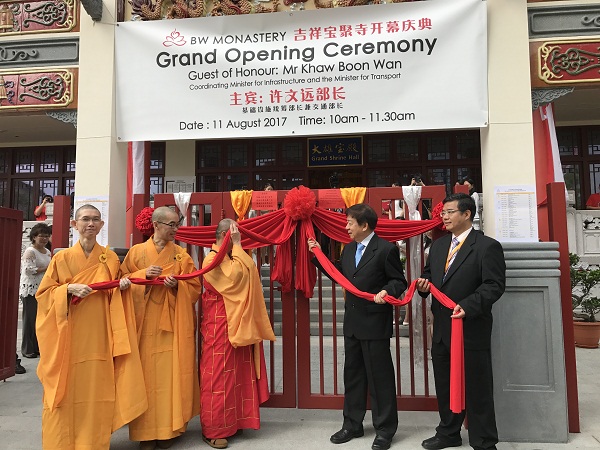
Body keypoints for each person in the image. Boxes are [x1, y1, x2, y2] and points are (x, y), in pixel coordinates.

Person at [36, 204, 146, 449]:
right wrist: (68, 288)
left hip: (99, 335)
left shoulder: (108, 259)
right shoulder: (62, 258)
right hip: (69, 335)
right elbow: (43, 295)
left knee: (96, 391)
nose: (91, 224)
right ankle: (62, 442)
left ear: (101, 225)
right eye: (85, 219)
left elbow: (115, 293)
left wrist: (122, 287)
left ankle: (92, 442)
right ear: (75, 224)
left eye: (96, 219)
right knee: (65, 390)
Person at [308, 203, 407, 450]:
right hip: (352, 323)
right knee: (352, 377)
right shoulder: (350, 249)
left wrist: (387, 291)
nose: (346, 226)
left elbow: (399, 281)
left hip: (375, 324)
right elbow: (342, 275)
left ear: (364, 225)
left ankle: (385, 429)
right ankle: (352, 424)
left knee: (380, 379)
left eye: (350, 222)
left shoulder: (385, 250)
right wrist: (319, 256)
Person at [415, 193, 506, 450]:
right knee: (445, 384)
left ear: (467, 214)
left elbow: (494, 286)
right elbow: (429, 276)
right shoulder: (439, 246)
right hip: (443, 329)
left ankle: (484, 440)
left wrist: (467, 306)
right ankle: (448, 433)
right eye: (443, 212)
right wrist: (423, 286)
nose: (444, 216)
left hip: (470, 328)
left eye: (450, 212)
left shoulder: (487, 246)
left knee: (477, 387)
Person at [121, 206, 202, 450]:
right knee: (144, 378)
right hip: (143, 324)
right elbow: (121, 282)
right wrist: (143, 277)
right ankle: (146, 433)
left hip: (171, 326)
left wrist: (177, 286)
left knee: (170, 378)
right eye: (172, 225)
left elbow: (195, 287)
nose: (176, 229)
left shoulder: (181, 255)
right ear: (156, 225)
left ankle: (169, 429)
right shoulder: (136, 253)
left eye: (177, 224)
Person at [200, 219, 276, 449]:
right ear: (226, 234)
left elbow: (249, 271)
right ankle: (215, 428)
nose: (239, 238)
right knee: (219, 374)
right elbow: (235, 280)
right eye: (236, 233)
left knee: (240, 372)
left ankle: (237, 420)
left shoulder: (232, 256)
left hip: (239, 320)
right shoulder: (211, 259)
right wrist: (237, 246)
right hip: (219, 325)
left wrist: (237, 249)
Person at [19, 222, 51, 358]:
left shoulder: (48, 251)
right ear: (33, 237)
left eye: (46, 236)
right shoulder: (30, 251)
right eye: (41, 236)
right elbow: (28, 270)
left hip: (42, 289)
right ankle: (27, 349)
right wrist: (47, 269)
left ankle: (37, 347)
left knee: (40, 320)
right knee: (29, 320)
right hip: (30, 290)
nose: (44, 239)